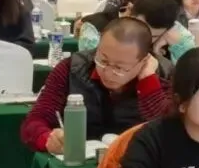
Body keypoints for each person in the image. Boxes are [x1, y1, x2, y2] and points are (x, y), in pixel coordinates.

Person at [21, 17, 174, 152]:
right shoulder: (72, 69)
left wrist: (148, 81)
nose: (108, 72)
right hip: (79, 159)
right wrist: (47, 138)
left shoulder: (165, 75)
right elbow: (34, 122)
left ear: (144, 61)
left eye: (119, 68)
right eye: (103, 60)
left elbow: (170, 132)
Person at [79, 0, 196, 63]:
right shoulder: (95, 28)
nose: (143, 39)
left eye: (153, 37)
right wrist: (152, 56)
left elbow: (192, 75)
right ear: (130, 11)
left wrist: (176, 47)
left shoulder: (173, 31)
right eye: (140, 27)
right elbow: (92, 67)